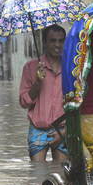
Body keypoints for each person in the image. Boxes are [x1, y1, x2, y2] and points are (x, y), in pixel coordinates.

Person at [19, 24, 67, 162]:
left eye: (61, 41)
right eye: (52, 41)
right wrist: (38, 83)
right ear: (45, 43)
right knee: (37, 171)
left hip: (63, 128)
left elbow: (78, 102)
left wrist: (66, 131)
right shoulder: (30, 68)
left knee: (61, 171)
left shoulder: (71, 67)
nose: (57, 45)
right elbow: (23, 102)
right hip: (38, 129)